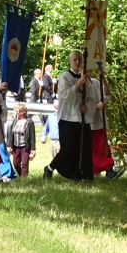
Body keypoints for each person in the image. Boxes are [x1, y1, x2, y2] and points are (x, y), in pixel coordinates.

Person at [46, 51, 92, 182]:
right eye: (75, 60)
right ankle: (50, 167)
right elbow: (66, 96)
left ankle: (82, 174)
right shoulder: (64, 77)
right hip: (68, 117)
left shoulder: (86, 79)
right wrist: (78, 83)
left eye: (80, 60)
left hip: (81, 118)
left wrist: (87, 105)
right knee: (68, 148)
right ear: (70, 61)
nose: (77, 62)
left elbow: (91, 96)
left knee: (83, 148)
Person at [5, 103, 35, 177]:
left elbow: (32, 136)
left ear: (22, 112)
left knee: (24, 164)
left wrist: (33, 149)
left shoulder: (29, 122)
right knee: (16, 164)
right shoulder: (15, 121)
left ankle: (24, 179)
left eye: (17, 111)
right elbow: (11, 134)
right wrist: (10, 145)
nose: (16, 113)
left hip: (25, 146)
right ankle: (21, 175)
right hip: (16, 146)